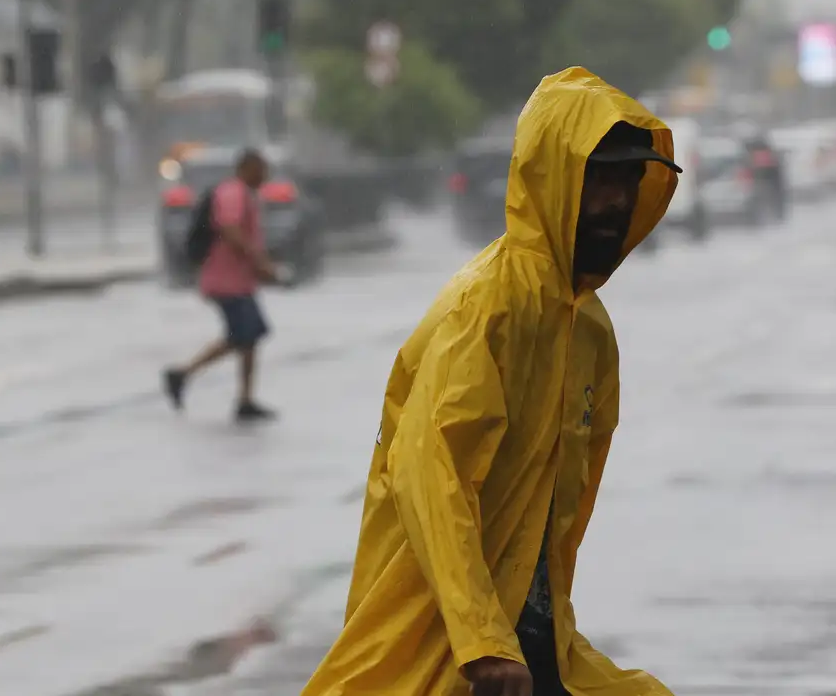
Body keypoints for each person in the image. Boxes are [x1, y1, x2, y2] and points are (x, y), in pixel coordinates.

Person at [301, 67, 682, 696]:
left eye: (625, 180)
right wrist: (481, 641)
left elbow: (556, 516)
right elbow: (432, 471)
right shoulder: (488, 307)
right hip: (442, 642)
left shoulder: (587, 330)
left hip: (528, 641)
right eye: (598, 179)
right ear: (552, 179)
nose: (615, 201)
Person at [163, 148, 285, 422]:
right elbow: (230, 229)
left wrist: (259, 268)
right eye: (261, 170)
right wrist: (260, 261)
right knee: (243, 335)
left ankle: (244, 399)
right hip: (225, 281)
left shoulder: (244, 194)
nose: (265, 176)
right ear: (248, 168)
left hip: (237, 281)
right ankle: (182, 374)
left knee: (249, 336)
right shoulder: (233, 193)